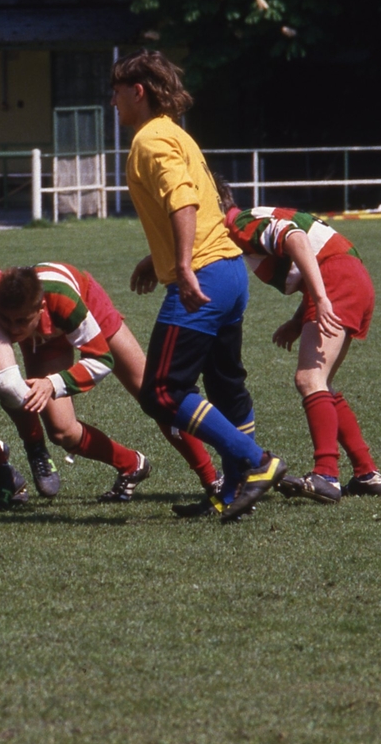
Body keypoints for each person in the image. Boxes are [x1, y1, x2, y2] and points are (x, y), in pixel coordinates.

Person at [112, 50, 285, 522]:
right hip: (229, 272)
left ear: (138, 91)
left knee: (162, 392)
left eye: (117, 92)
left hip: (204, 275)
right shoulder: (177, 135)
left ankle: (257, 463)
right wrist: (160, 258)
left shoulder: (150, 140)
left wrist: (182, 266)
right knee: (226, 387)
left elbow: (184, 201)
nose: (114, 102)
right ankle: (232, 493)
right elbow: (203, 205)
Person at [216, 180, 381, 502]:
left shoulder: (238, 224)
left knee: (310, 379)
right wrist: (299, 318)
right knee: (322, 384)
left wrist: (321, 299)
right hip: (347, 275)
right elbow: (316, 251)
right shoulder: (245, 220)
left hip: (337, 279)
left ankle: (326, 475)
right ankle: (366, 473)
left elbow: (296, 239)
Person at [0, 264, 157, 503]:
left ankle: (212, 477)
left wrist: (53, 383)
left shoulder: (62, 298)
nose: (13, 329)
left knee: (155, 396)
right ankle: (132, 464)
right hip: (44, 336)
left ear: (39, 309)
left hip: (85, 308)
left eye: (21, 321)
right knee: (62, 431)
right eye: (6, 321)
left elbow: (102, 360)